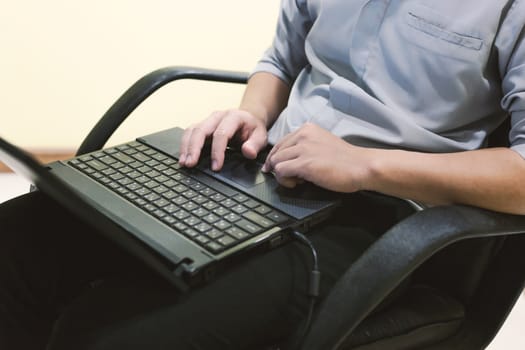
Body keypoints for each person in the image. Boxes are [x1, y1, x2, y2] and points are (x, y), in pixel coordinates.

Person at [1, 0, 524, 349]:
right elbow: (281, 58)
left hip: (384, 213)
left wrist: (366, 164)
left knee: (103, 330)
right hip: (265, 171)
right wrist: (252, 113)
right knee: (18, 240)